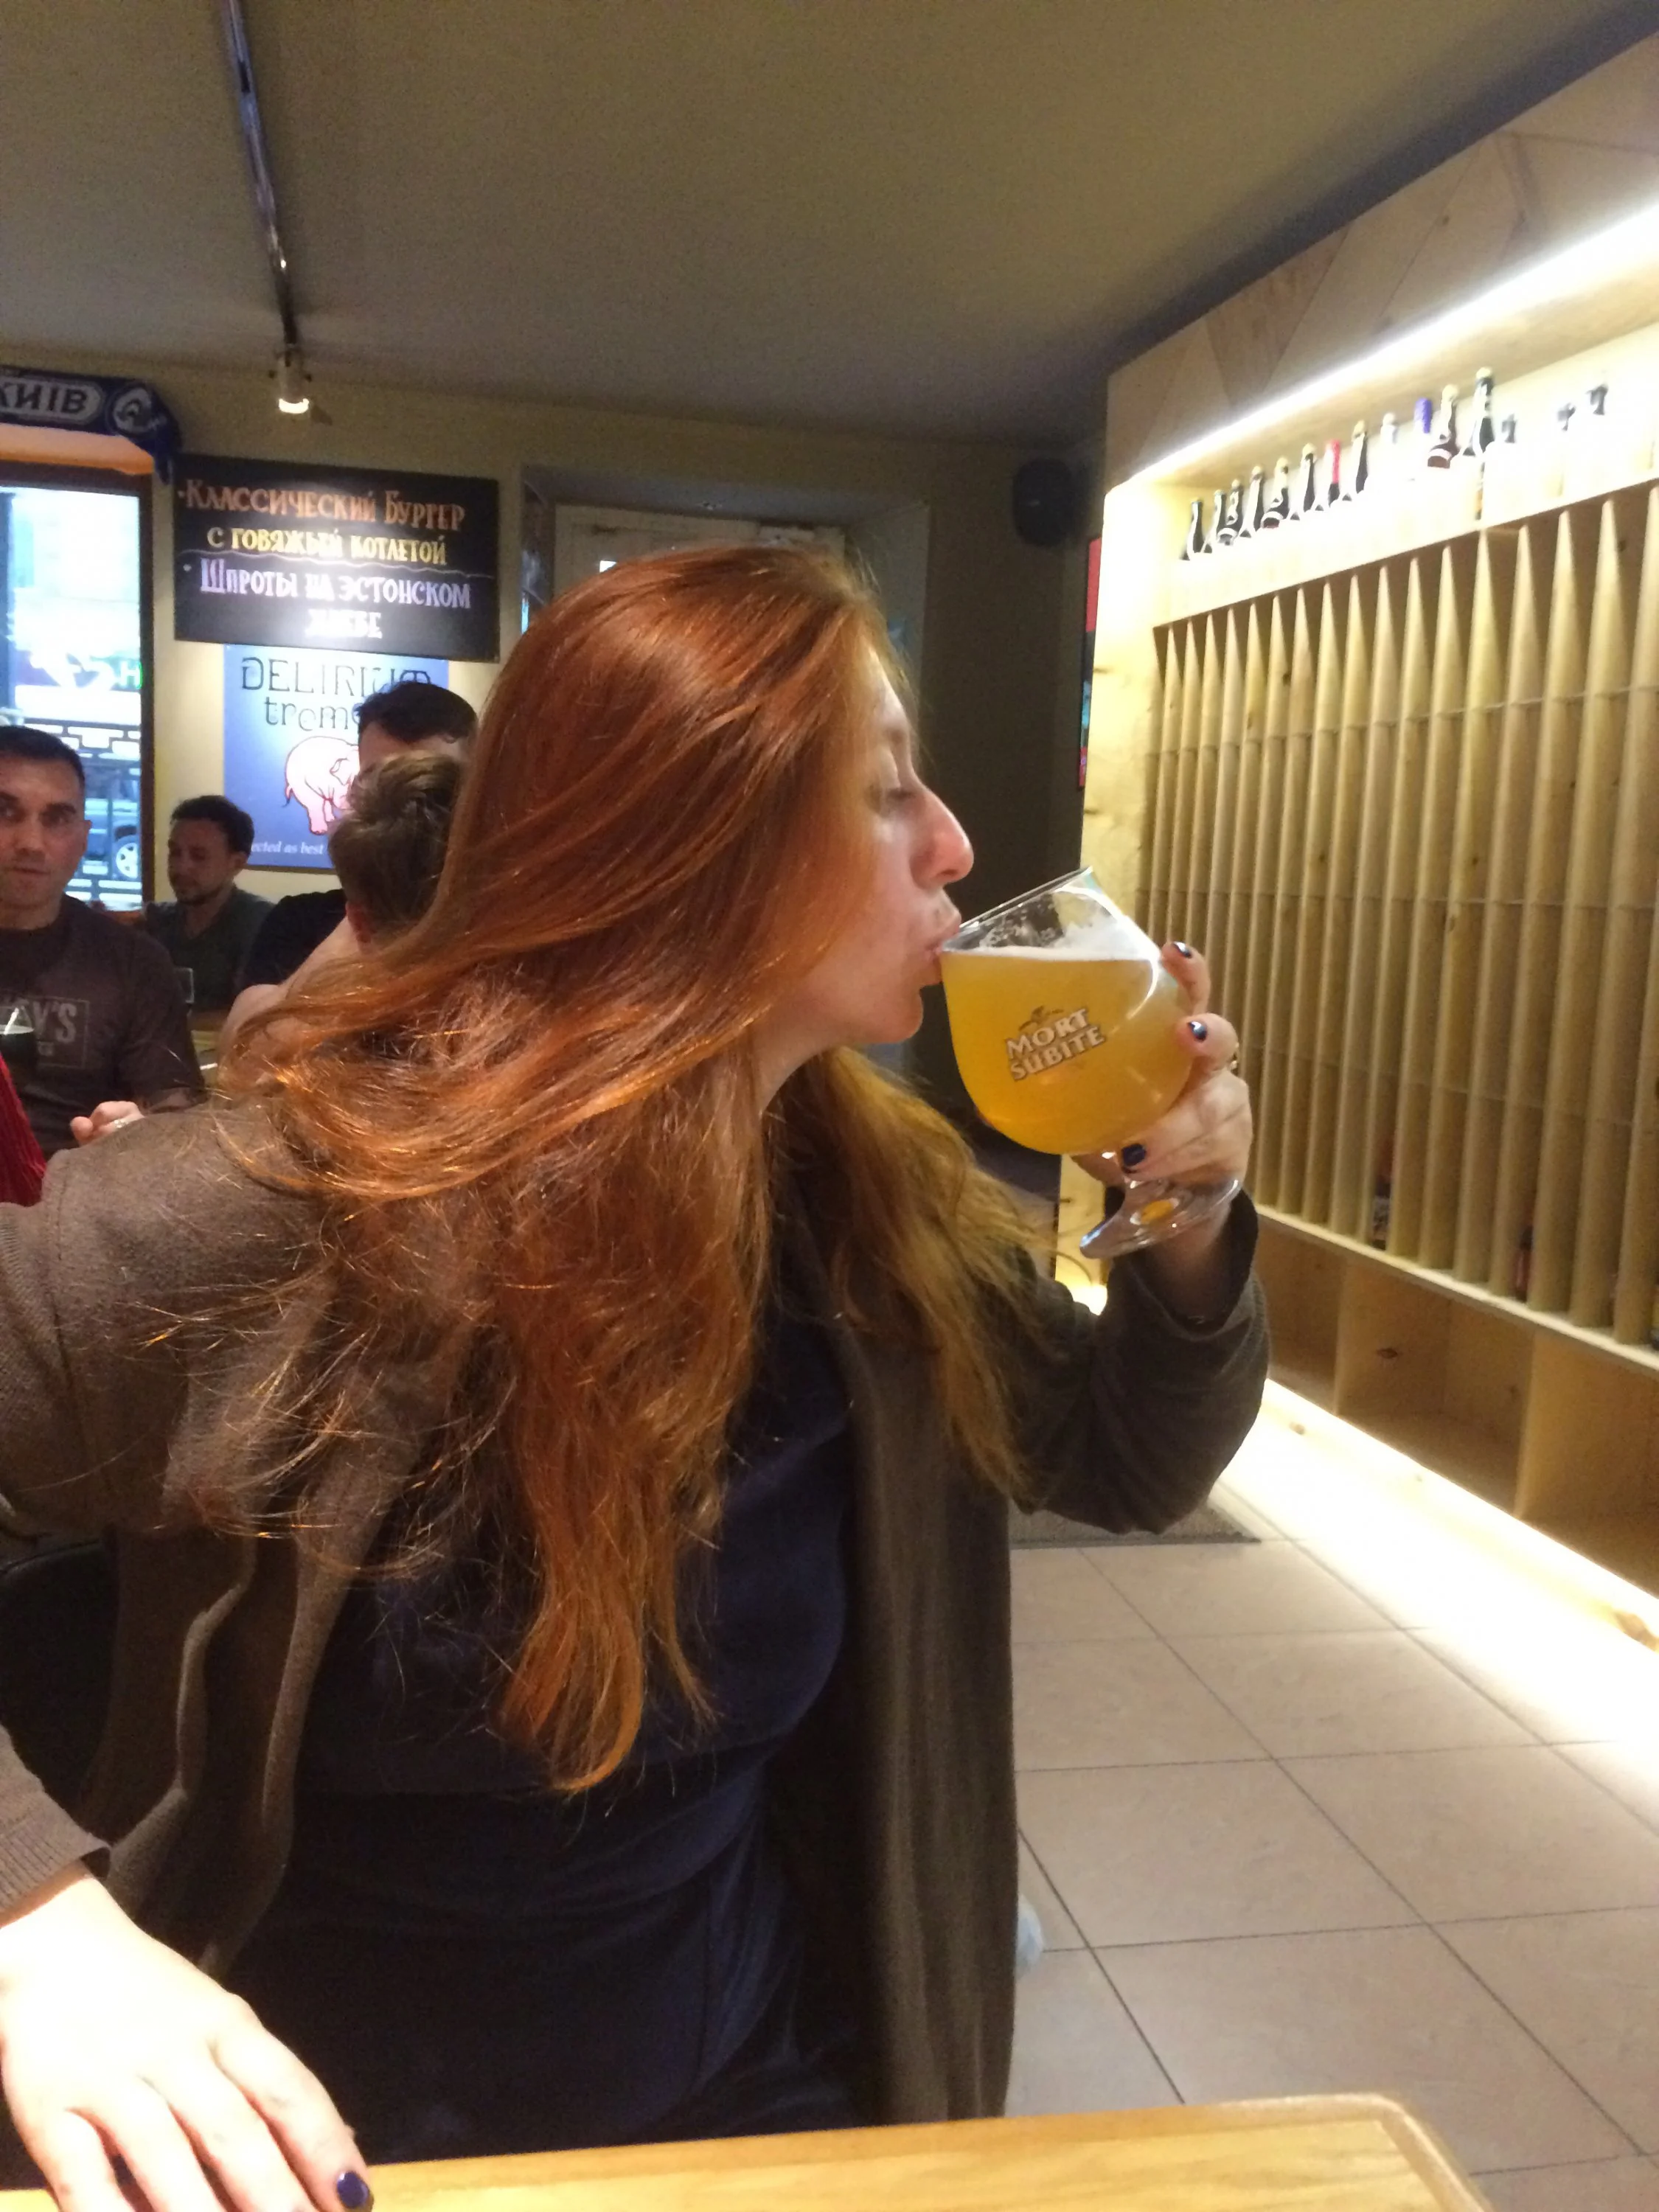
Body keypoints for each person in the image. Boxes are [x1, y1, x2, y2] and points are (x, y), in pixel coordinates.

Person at [0, 549, 1264, 2205]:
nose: (956, 844)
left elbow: (1134, 1459)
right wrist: (31, 1917)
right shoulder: (275, 1214)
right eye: (888, 790)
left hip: (757, 2096)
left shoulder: (867, 1220)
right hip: (302, 2144)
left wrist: (1188, 1211)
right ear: (693, 851)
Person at [224, 681, 475, 1040]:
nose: (404, 810)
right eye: (379, 781)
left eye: (432, 788)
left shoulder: (514, 923)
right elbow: (245, 1045)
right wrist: (366, 908)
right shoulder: (300, 921)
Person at [0, 727, 201, 1156]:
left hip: (75, 1187)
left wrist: (142, 1132)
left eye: (56, 819)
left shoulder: (134, 962)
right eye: (6, 812)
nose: (31, 843)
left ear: (83, 837)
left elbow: (179, 1112)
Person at [142, 797, 272, 1015]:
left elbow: (254, 1016)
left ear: (236, 863)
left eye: (199, 856)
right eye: (175, 852)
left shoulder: (262, 925)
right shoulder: (156, 922)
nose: (181, 867)